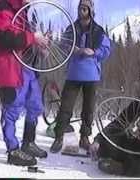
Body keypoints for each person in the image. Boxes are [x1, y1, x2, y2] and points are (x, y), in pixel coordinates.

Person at [0, 0, 50, 166]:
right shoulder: (2, 10)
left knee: (36, 106)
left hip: (27, 68)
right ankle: (13, 150)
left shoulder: (23, 12)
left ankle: (29, 143)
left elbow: (25, 43)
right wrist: (32, 37)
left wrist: (40, 47)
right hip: (10, 69)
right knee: (12, 108)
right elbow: (5, 39)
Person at [50, 0, 111, 153]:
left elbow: (106, 49)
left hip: (92, 75)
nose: (82, 11)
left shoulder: (98, 30)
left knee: (88, 109)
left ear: (90, 10)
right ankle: (59, 137)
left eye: (85, 8)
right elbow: (63, 45)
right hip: (73, 73)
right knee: (65, 107)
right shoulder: (71, 28)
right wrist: (73, 49)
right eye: (80, 8)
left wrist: (94, 52)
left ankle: (84, 138)